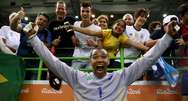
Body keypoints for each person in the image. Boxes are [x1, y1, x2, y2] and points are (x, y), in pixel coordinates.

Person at [24, 20, 177, 101]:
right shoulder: (77, 78)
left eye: (104, 56)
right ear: (90, 62)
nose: (100, 59)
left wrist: (168, 37)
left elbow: (148, 59)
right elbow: (52, 61)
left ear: (108, 61)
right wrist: (33, 38)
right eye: (95, 57)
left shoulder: (121, 77)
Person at [71, 19, 149, 68]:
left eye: (122, 27)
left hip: (110, 61)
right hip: (100, 58)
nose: (119, 27)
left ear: (123, 30)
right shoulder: (106, 32)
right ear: (113, 25)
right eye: (118, 24)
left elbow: (134, 43)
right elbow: (91, 32)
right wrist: (74, 28)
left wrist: (146, 49)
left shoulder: (122, 37)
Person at [71, 2, 101, 70]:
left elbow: (100, 48)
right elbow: (74, 38)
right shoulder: (76, 24)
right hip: (77, 57)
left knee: (89, 79)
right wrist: (74, 40)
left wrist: (95, 44)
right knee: (74, 77)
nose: (85, 13)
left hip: (92, 58)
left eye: (87, 11)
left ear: (91, 13)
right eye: (83, 11)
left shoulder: (97, 29)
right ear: (80, 12)